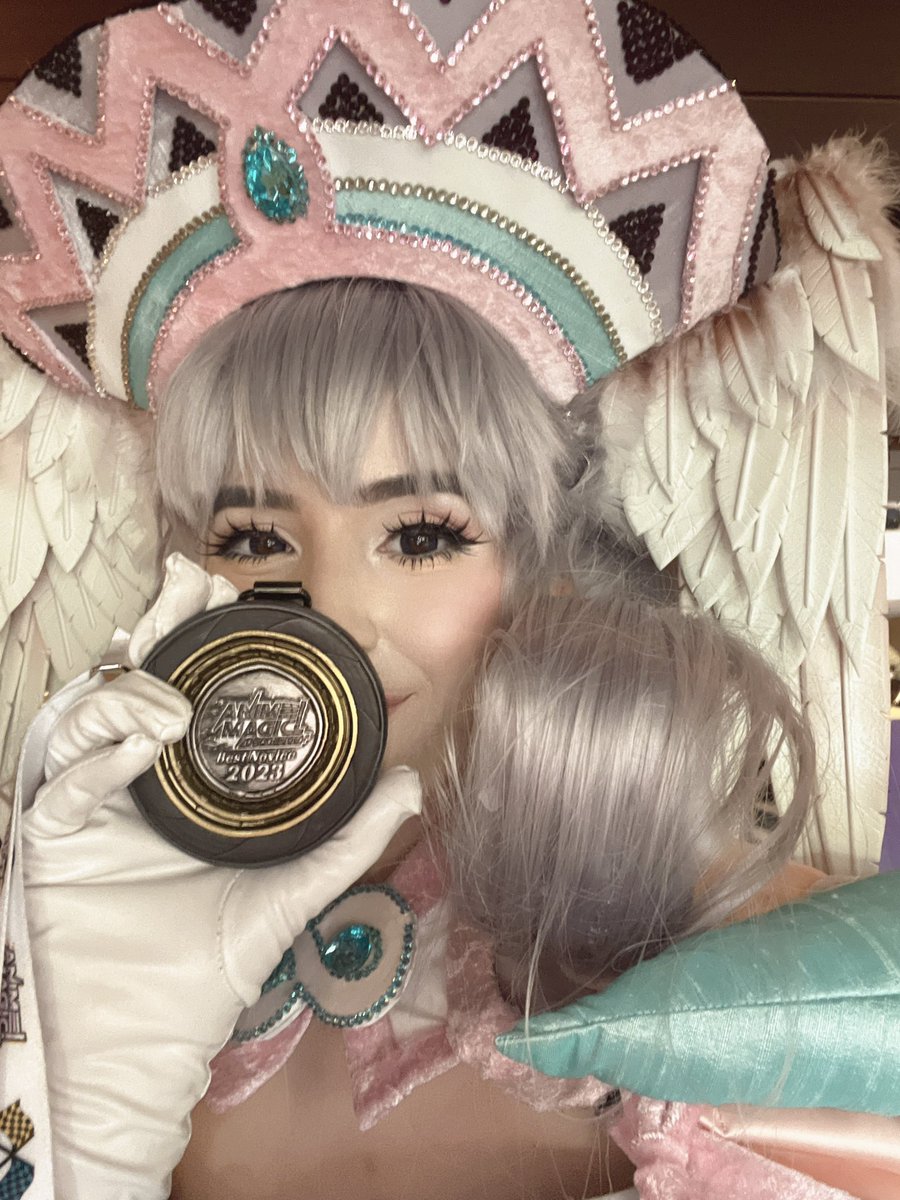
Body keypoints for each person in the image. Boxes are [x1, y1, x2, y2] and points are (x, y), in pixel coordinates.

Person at [0, 1, 895, 1196]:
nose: (330, 610)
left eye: (420, 535)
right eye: (255, 536)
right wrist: (68, 1128)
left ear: (544, 563)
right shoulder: (90, 947)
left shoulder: (735, 977)